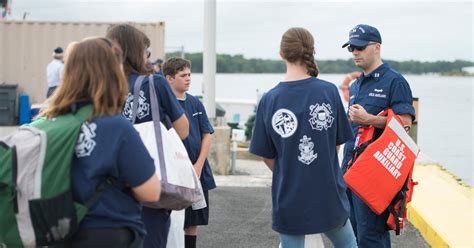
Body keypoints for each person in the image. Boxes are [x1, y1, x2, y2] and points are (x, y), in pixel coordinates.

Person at [39, 37, 161, 247]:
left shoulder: (46, 125)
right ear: (113, 73)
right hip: (108, 233)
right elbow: (151, 192)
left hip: (55, 233)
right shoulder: (116, 127)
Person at [249, 27, 357, 248]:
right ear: (311, 51)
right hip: (328, 192)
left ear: (281, 54)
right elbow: (336, 144)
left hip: (289, 193)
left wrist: (289, 168)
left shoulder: (270, 100)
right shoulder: (328, 92)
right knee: (348, 245)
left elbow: (266, 155)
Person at [106, 24, 189, 248]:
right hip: (150, 179)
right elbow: (183, 130)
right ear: (137, 53)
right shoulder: (155, 82)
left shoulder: (104, 85)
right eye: (146, 52)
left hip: (110, 185)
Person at [341, 24, 416, 248]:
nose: (355, 52)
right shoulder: (355, 85)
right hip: (350, 170)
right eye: (351, 48)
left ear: (376, 47)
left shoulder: (395, 82)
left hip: (375, 175)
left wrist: (371, 120)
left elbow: (405, 124)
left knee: (371, 236)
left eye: (360, 47)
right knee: (351, 235)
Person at [163, 57, 216, 248]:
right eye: (182, 75)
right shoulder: (164, 105)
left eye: (189, 75)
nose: (188, 79)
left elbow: (207, 135)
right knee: (174, 219)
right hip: (174, 172)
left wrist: (199, 165)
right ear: (169, 78)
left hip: (197, 172)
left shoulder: (195, 103)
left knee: (193, 221)